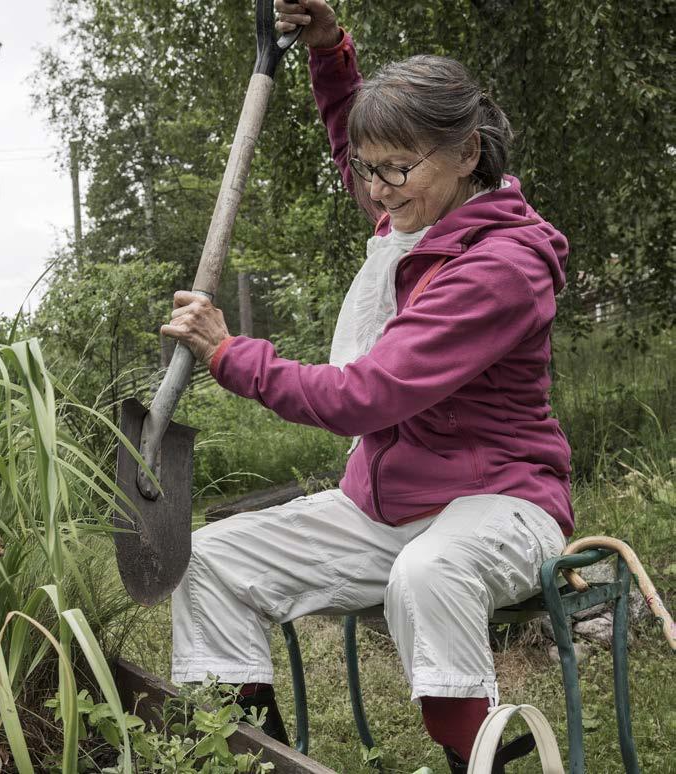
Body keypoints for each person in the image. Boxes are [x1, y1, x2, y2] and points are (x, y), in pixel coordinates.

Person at [161, 1, 572, 770]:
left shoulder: (500, 267)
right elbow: (363, 133)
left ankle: (475, 759)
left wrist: (230, 355)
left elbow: (366, 395)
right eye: (368, 169)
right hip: (386, 505)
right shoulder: (416, 212)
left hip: (501, 505)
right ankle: (252, 758)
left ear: (465, 153)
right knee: (210, 560)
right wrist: (329, 50)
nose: (378, 191)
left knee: (432, 569)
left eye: (396, 170)